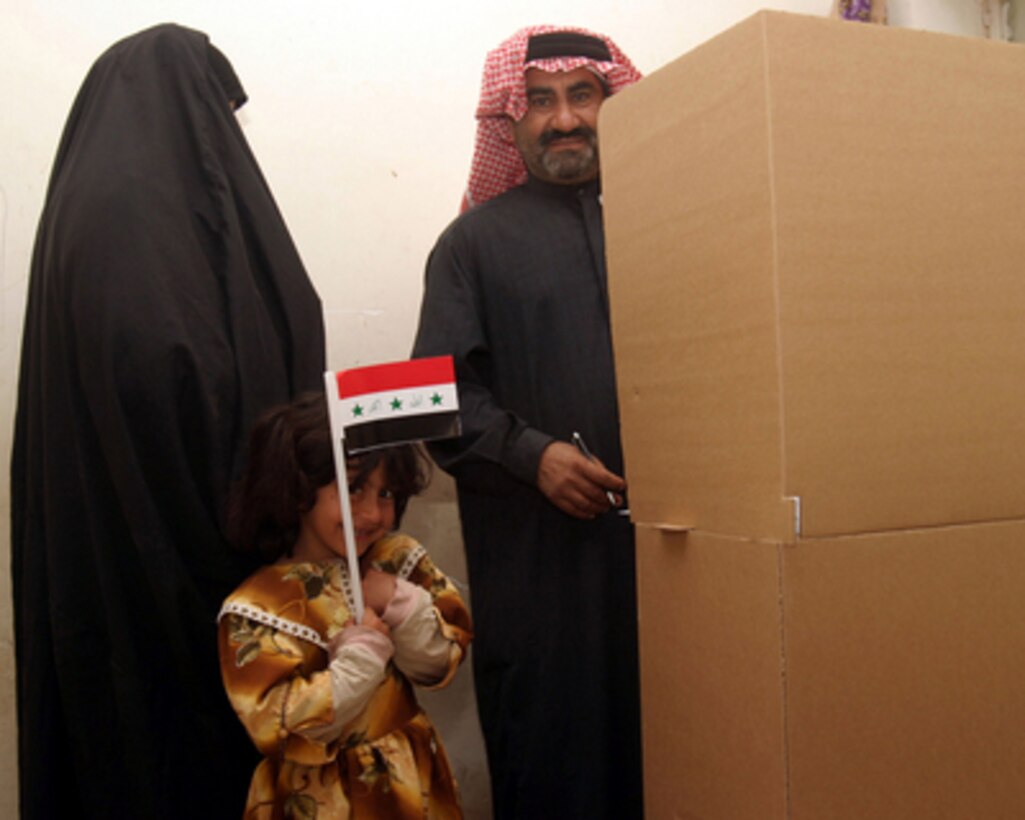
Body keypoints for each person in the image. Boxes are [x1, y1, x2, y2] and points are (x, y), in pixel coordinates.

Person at [10, 25, 325, 819]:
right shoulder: (142, 222)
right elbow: (171, 370)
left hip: (107, 566)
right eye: (217, 108)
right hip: (187, 577)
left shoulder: (84, 212)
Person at [411, 25, 645, 819]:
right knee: (558, 767)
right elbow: (433, 398)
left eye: (583, 95)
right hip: (542, 578)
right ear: (508, 121)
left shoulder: (672, 223)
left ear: (614, 102)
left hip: (676, 566)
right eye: (538, 101)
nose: (564, 119)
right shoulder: (469, 245)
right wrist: (529, 454)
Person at [218, 391, 473, 818]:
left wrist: (402, 606)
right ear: (299, 491)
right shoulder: (257, 606)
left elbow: (440, 663)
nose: (373, 513)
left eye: (388, 493)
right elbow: (275, 727)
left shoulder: (398, 560)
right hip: (320, 802)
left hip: (409, 785)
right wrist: (359, 662)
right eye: (354, 489)